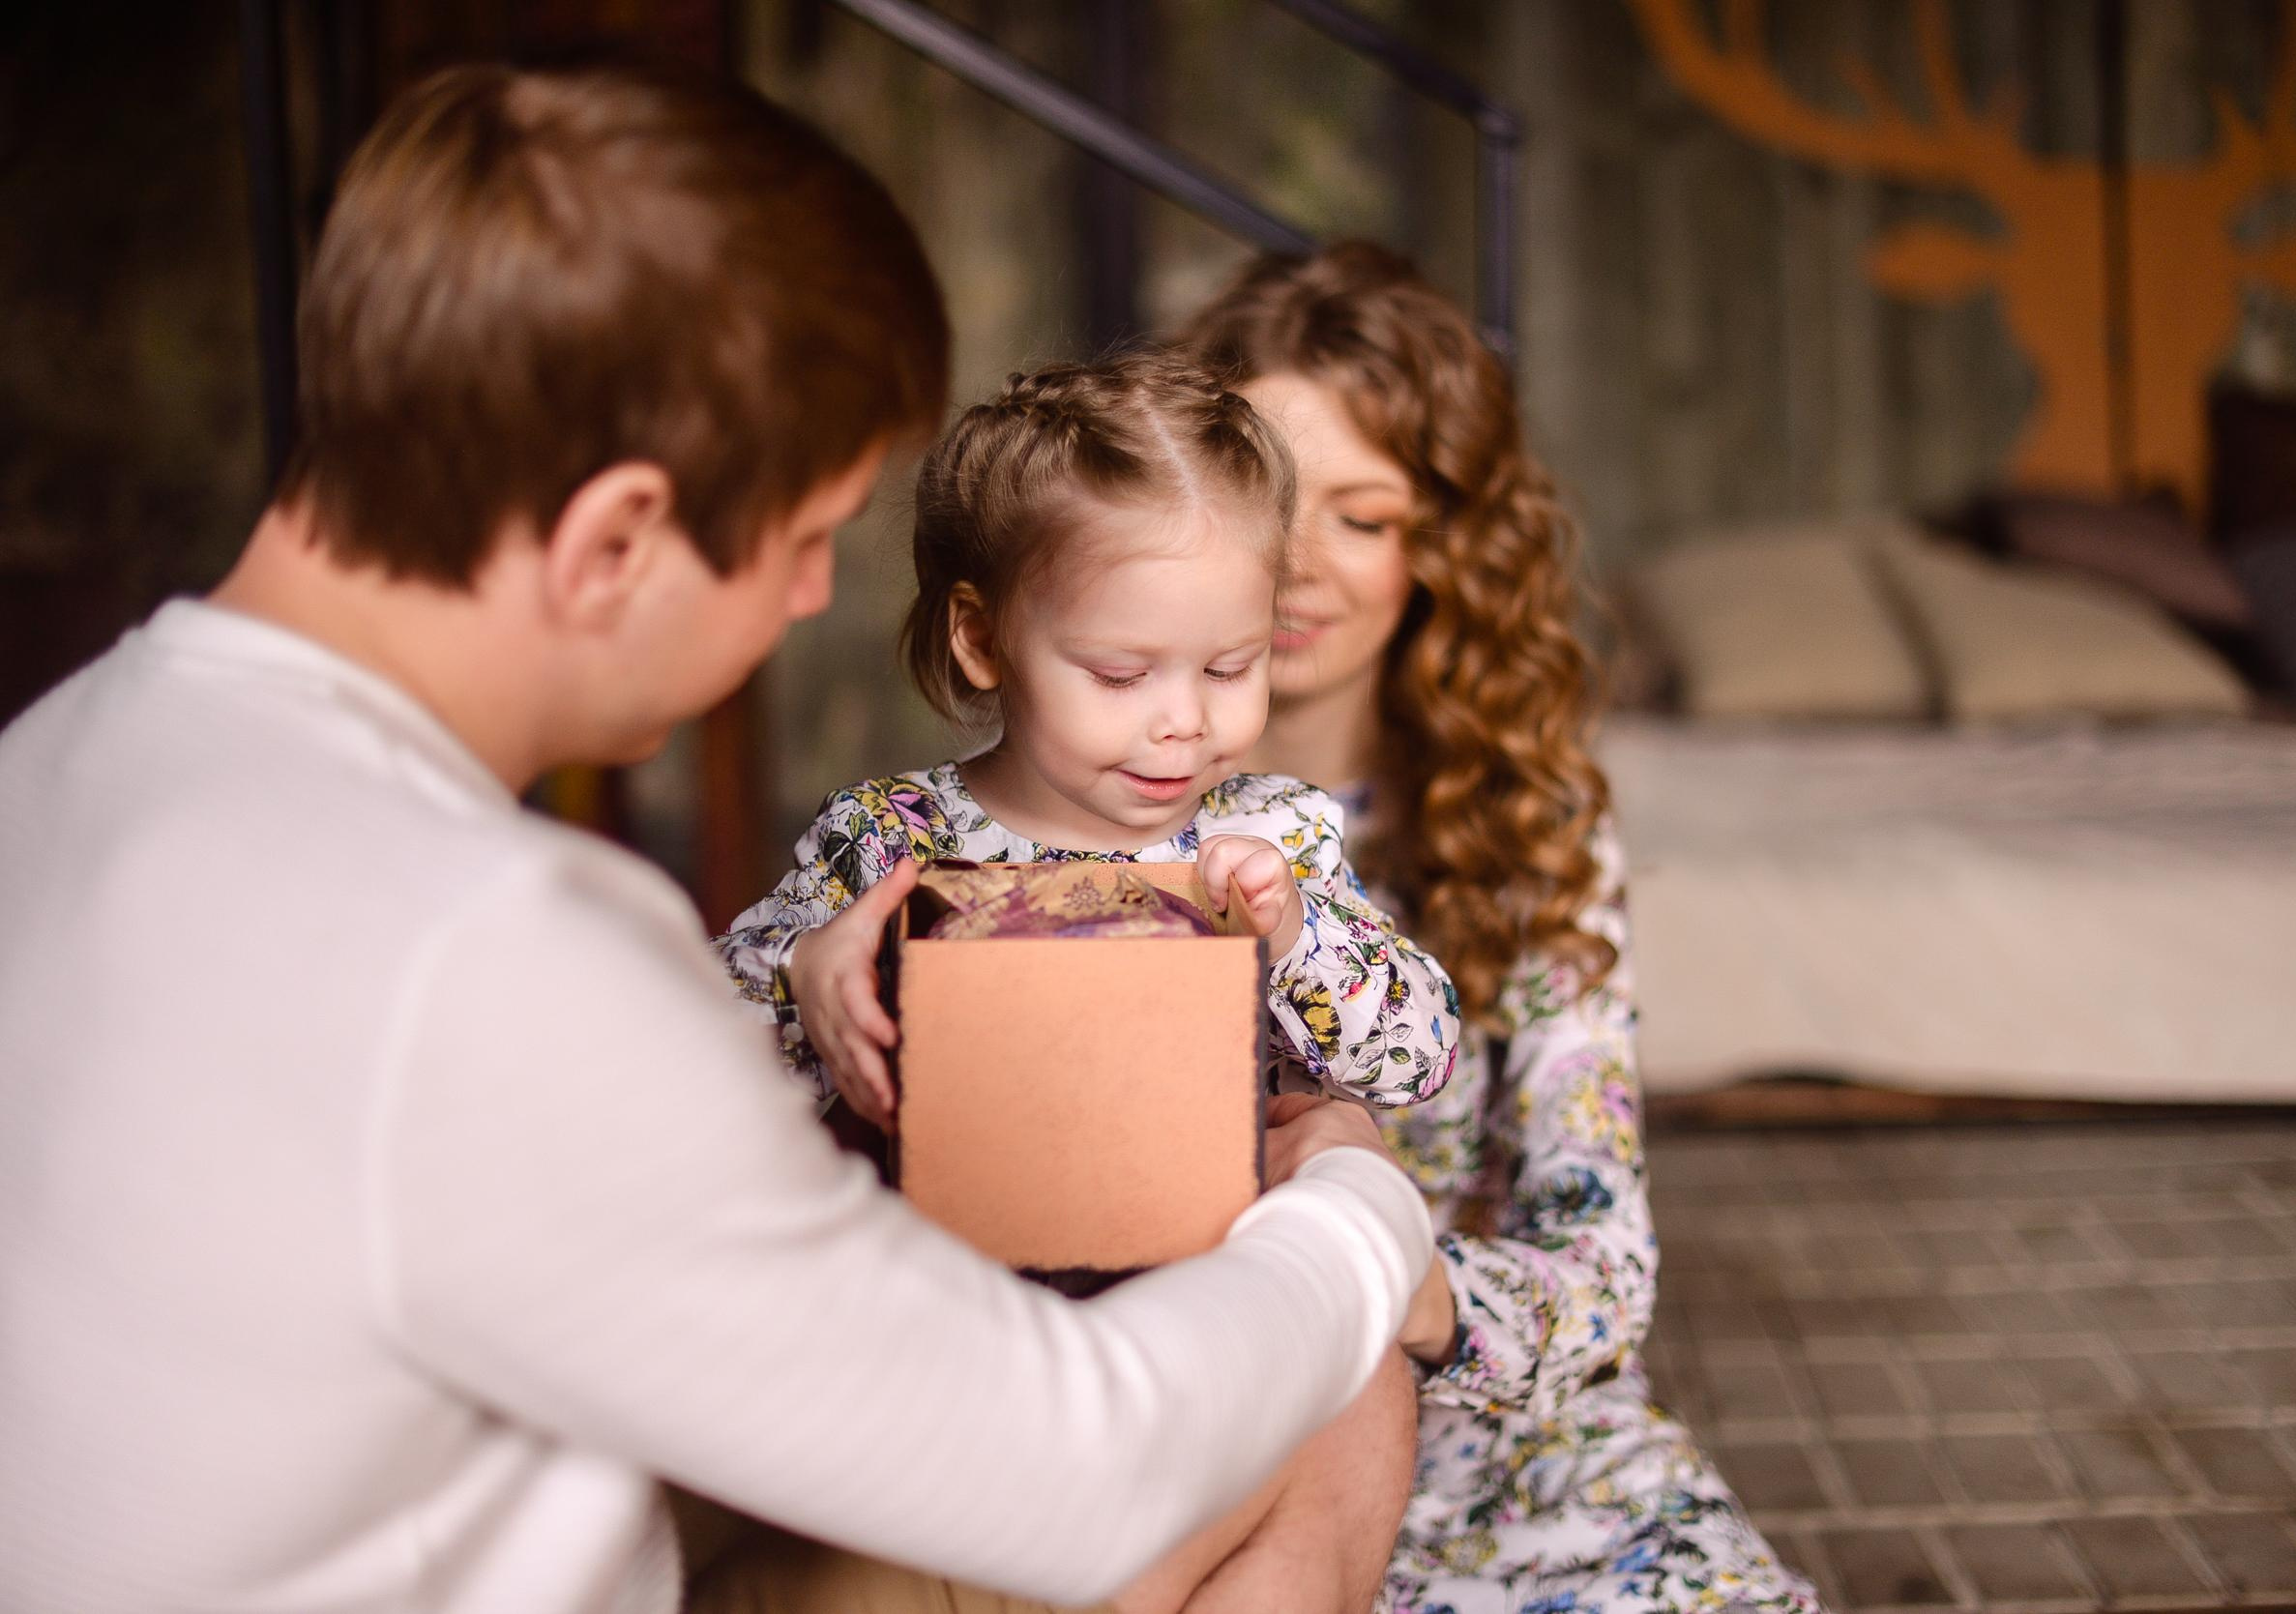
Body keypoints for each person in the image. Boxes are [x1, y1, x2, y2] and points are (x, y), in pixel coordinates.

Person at [0, 68, 1442, 1614]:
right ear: (618, 536)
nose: (812, 598)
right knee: (1337, 1409)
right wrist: (1362, 1208)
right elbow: (1077, 1475)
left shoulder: (63, 752)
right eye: (804, 535)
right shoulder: (491, 941)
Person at [1179, 244, 1825, 1614]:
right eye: (1268, 500)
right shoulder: (1058, 814)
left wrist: (1397, 1288)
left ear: (1446, 546)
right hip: (1189, 1443)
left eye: (1364, 515)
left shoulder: (1532, 832)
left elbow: (1602, 1253)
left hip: (1507, 1458)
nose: (1301, 565)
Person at [714, 352, 1459, 1129]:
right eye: (1119, 675)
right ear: (982, 638)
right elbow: (677, 1055)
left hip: (1226, 1244)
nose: (1185, 719)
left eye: (1229, 666)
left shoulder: (1277, 841)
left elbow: (1424, 1057)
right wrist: (804, 972)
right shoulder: (891, 844)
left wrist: (1295, 934)